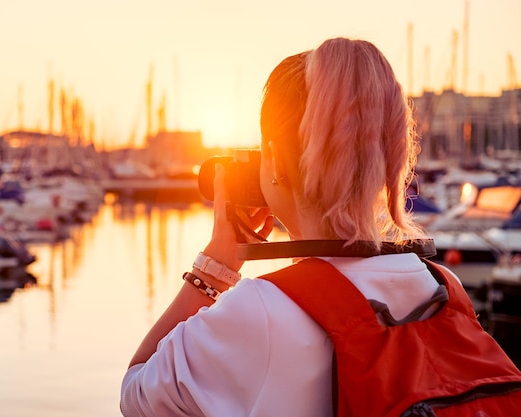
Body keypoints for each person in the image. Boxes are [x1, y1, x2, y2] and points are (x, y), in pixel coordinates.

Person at [120, 37, 444, 416]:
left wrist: (212, 266)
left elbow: (135, 394)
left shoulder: (263, 311)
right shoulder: (441, 288)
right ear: (390, 155)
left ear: (272, 159)